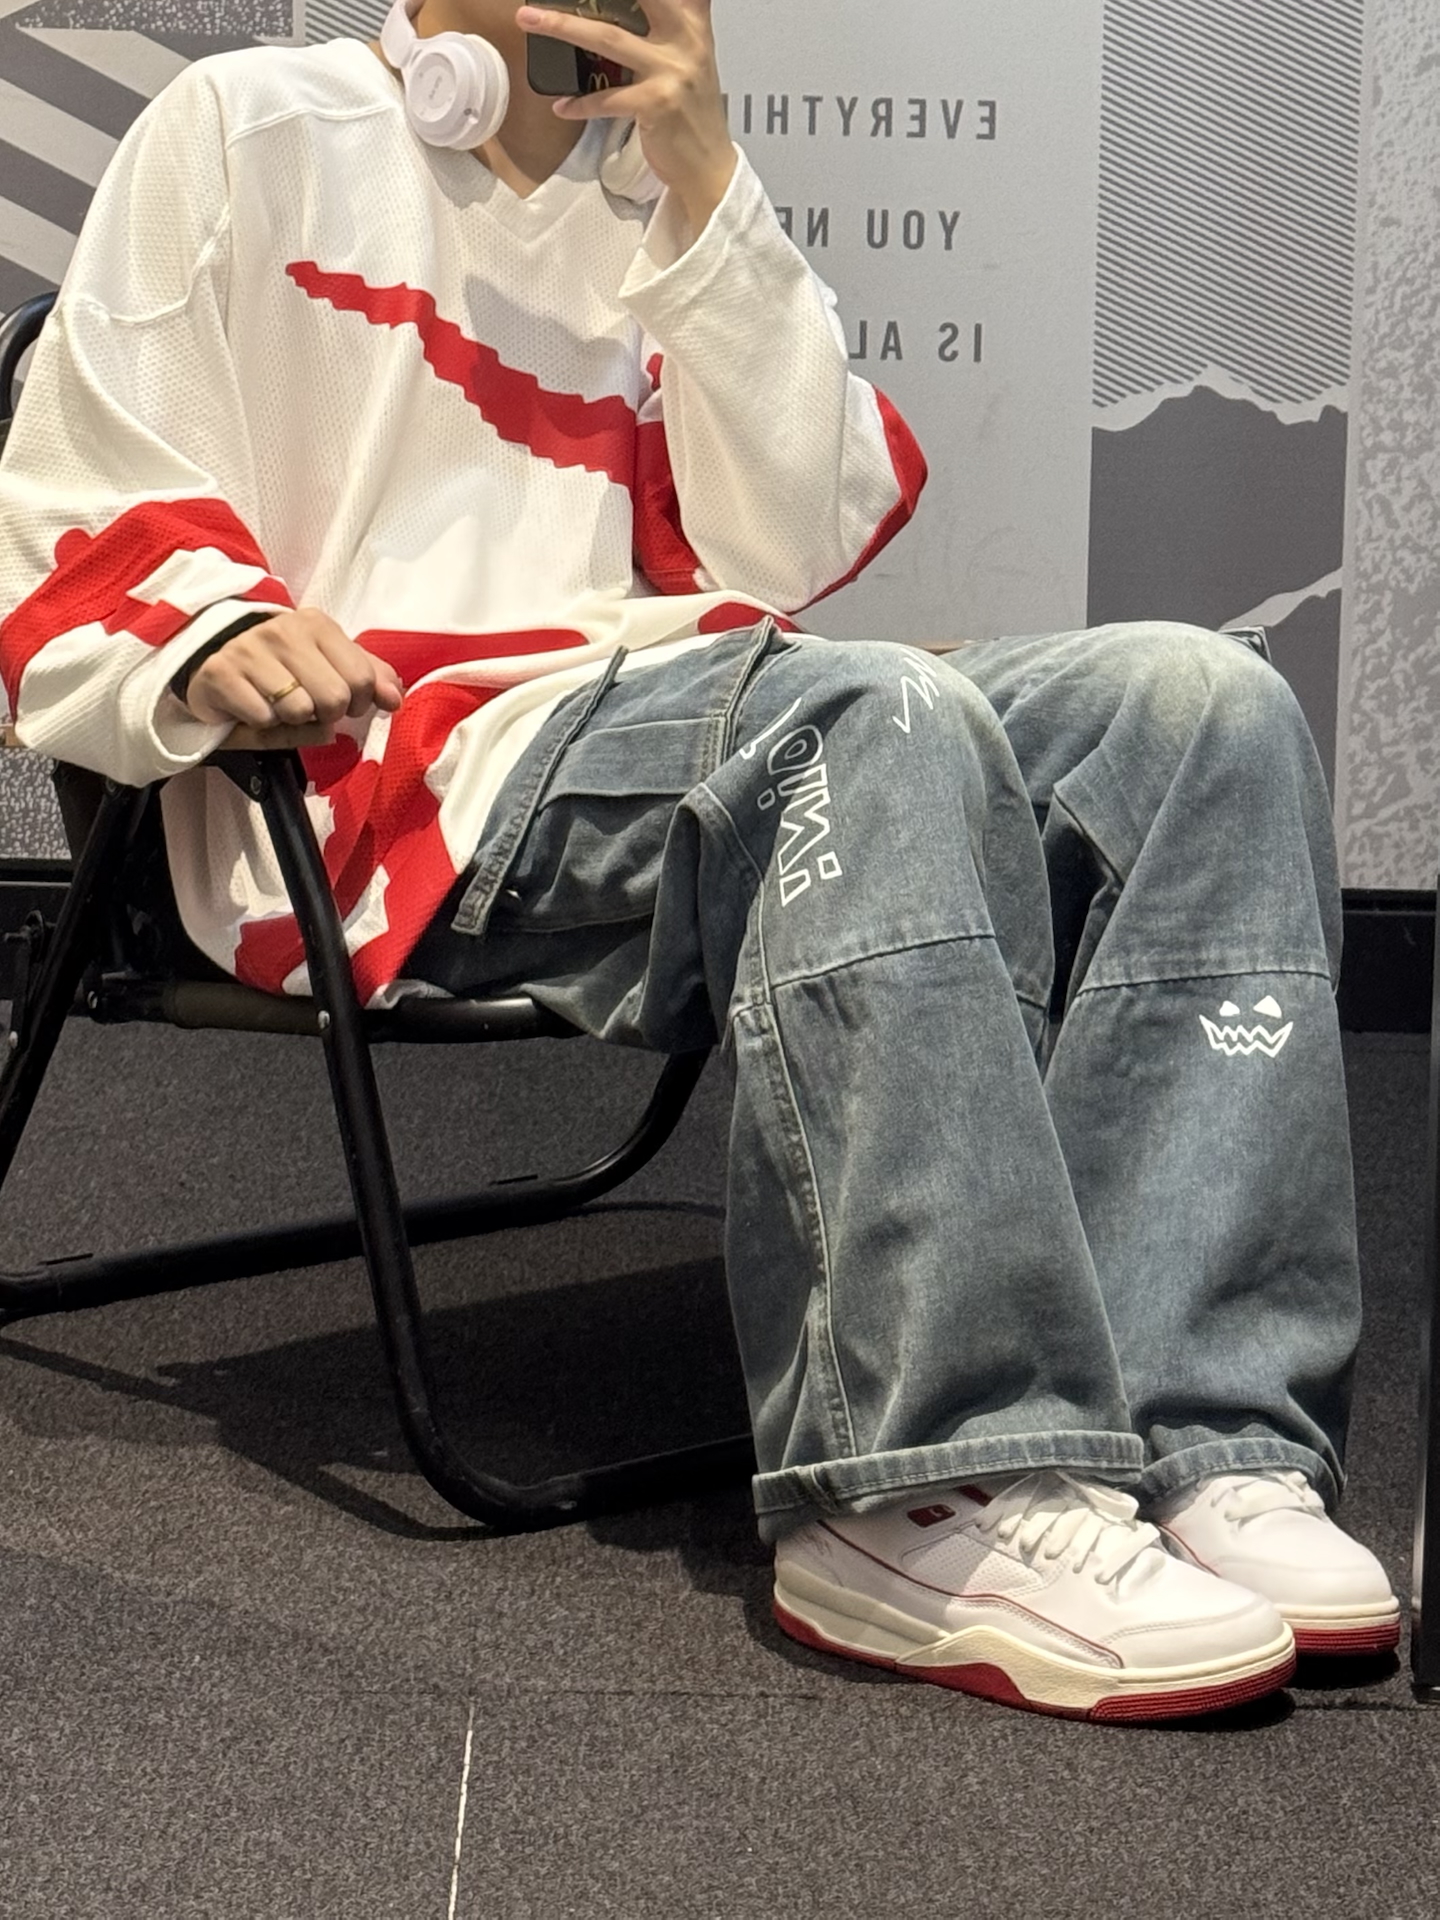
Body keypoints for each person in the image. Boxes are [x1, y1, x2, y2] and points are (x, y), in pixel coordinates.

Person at [0, 0, 1398, 1721]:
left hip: (669, 709)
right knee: (867, 718)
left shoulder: (657, 196)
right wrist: (218, 629)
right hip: (396, 776)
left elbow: (783, 544)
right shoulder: (250, 125)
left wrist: (709, 186)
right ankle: (921, 1483)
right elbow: (76, 473)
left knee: (1203, 706)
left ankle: (1206, 1433)